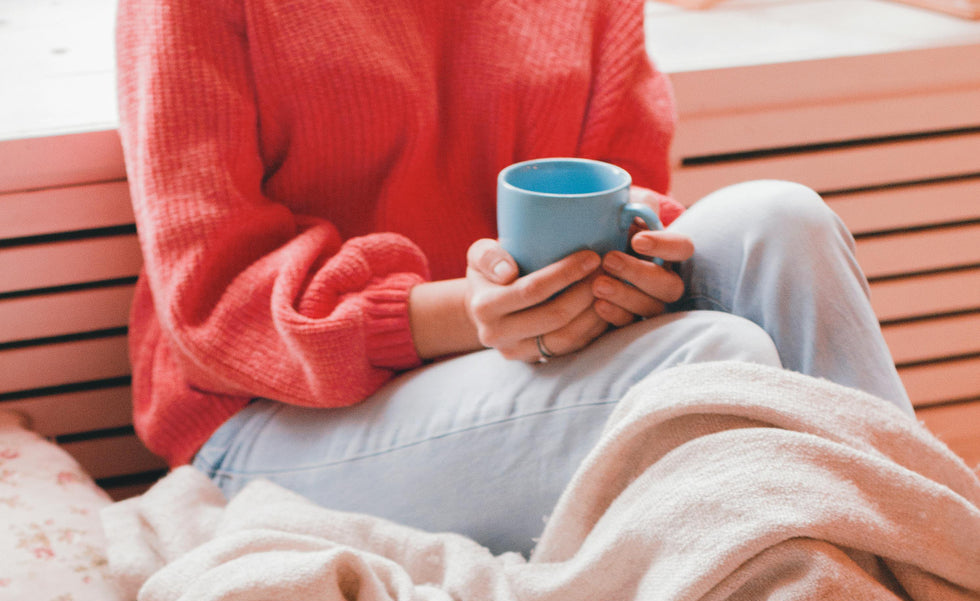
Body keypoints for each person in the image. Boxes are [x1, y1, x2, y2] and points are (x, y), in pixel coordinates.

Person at [116, 0, 912, 556]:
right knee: (714, 360)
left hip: (533, 362)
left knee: (780, 222)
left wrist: (640, 272)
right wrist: (472, 313)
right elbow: (212, 308)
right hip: (274, 419)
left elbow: (630, 190)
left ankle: (932, 570)